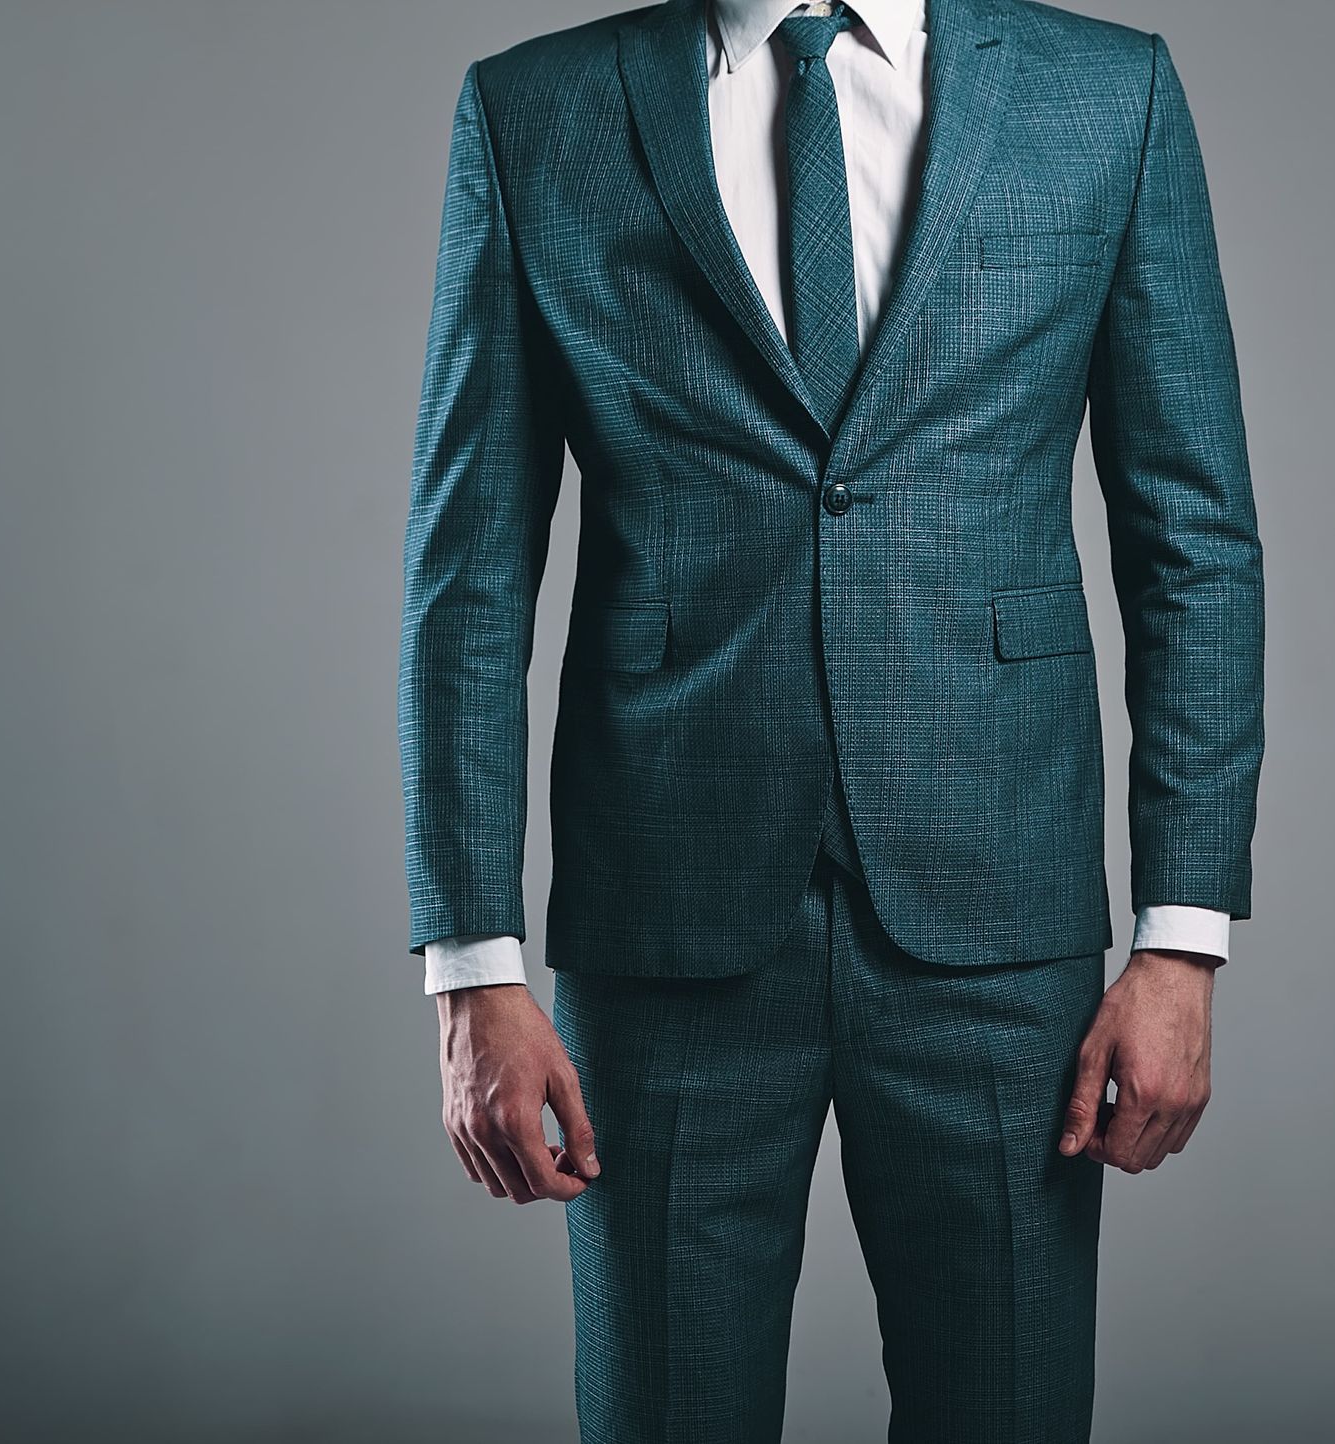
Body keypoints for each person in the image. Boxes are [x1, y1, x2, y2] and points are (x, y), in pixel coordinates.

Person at [397, 0, 1264, 1438]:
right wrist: (469, 967)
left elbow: (1196, 541)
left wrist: (1182, 940)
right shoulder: (534, 112)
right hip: (667, 917)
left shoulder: (1107, 98)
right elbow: (468, 576)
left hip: (999, 917)